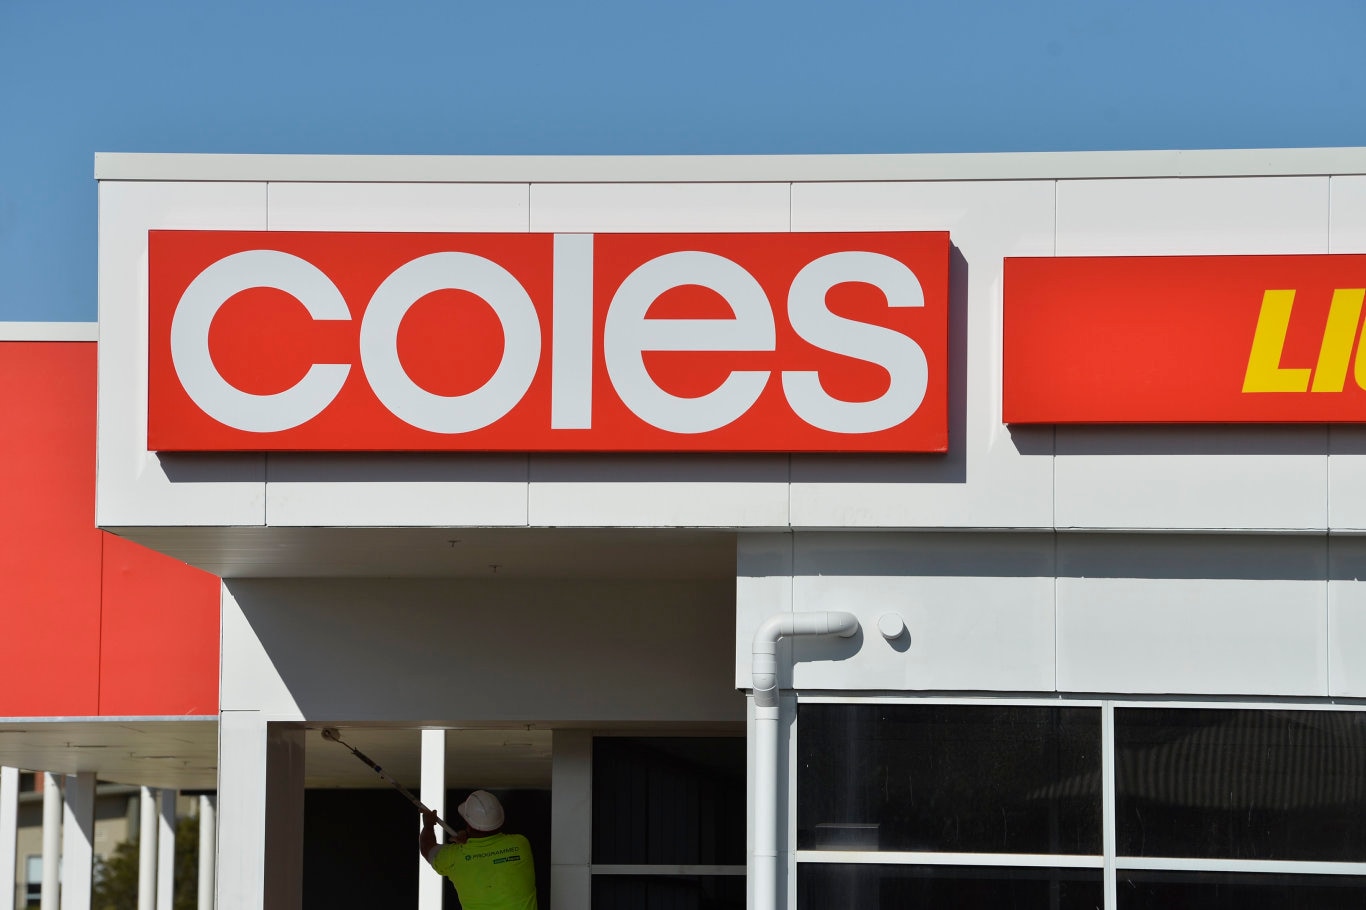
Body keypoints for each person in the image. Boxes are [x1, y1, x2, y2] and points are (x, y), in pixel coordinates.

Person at [420, 789, 538, 910]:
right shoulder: (520, 844)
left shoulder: (453, 858)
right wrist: (467, 837)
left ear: (468, 823)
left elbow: (427, 847)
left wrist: (428, 826)